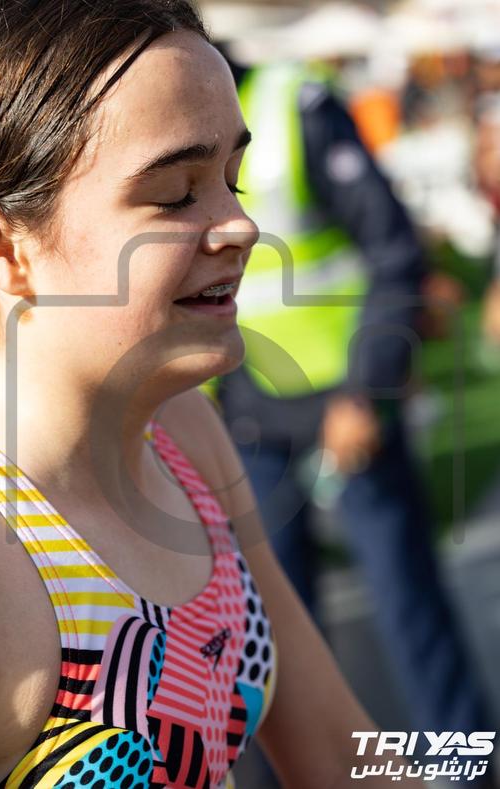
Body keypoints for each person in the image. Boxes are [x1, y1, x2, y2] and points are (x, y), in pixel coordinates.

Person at [0, 2, 426, 788]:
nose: (241, 225)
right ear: (0, 244)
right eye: (177, 192)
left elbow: (340, 745)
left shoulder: (185, 433)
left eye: (231, 179)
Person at [215, 55, 496, 767]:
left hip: (347, 408)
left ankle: (461, 768)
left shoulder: (296, 101)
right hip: (249, 413)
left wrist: (367, 392)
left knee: (409, 606)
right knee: (271, 636)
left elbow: (393, 250)